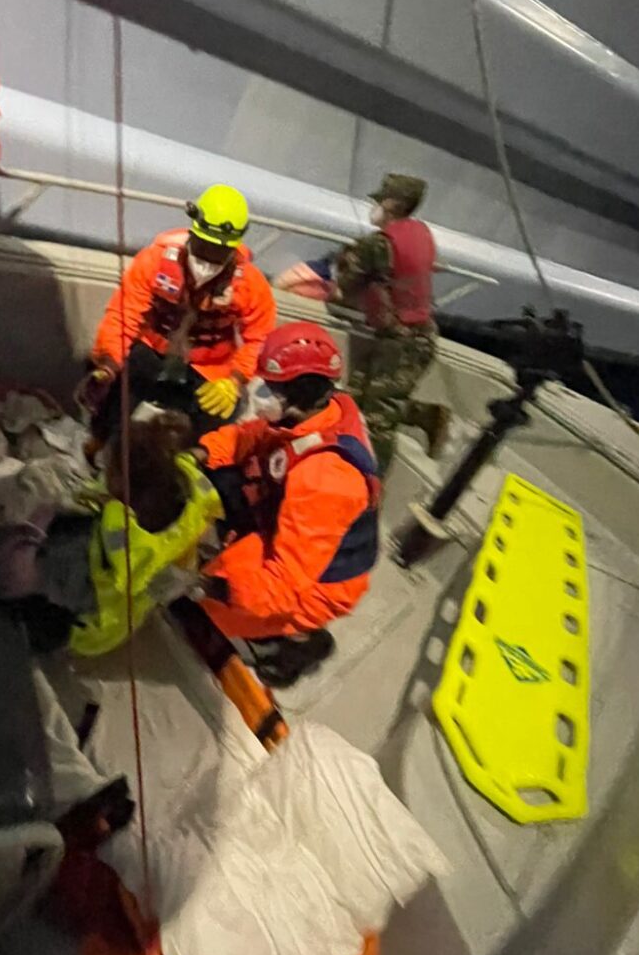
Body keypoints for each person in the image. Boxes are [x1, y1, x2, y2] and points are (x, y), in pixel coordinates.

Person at [195, 321, 381, 686]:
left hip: (323, 583)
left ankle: (296, 642)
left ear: (300, 393)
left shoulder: (326, 479)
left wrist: (212, 588)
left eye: (271, 388)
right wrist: (202, 452)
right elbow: (251, 437)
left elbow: (284, 585)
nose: (260, 392)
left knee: (210, 610)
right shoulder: (320, 413)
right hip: (293, 523)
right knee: (223, 479)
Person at [0, 410, 224, 656]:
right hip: (115, 610)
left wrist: (28, 547)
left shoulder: (107, 548)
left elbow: (16, 580)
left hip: (84, 621)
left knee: (25, 603)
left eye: (107, 466)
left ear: (121, 483)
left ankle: (42, 633)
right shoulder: (180, 489)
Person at [274, 173, 447, 470]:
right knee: (353, 399)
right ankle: (425, 416)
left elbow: (344, 284)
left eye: (380, 201)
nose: (375, 207)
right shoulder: (420, 233)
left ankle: (368, 480)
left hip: (399, 343)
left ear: (391, 204)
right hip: (415, 335)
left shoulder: (377, 245)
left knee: (378, 421)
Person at [77, 185, 277, 438]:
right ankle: (103, 441)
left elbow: (259, 338)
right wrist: (108, 364)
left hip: (207, 367)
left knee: (224, 410)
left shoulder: (250, 284)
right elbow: (123, 314)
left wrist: (235, 380)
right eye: (204, 245)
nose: (209, 257)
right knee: (113, 380)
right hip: (151, 352)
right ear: (193, 232)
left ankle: (186, 455)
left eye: (219, 252)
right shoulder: (154, 260)